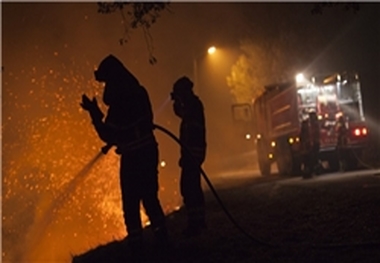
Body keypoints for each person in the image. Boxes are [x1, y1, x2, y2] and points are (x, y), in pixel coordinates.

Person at [80, 55, 168, 260]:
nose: (105, 87)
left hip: (133, 158)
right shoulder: (140, 92)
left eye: (106, 81)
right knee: (150, 199)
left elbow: (108, 133)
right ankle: (162, 241)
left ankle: (137, 250)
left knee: (131, 205)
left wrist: (94, 112)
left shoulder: (119, 104)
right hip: (148, 153)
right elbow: (140, 124)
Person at [171, 76, 207, 237]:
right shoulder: (193, 105)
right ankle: (199, 222)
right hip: (193, 152)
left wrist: (188, 155)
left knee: (189, 187)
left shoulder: (193, 105)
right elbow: (181, 113)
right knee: (192, 187)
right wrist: (176, 103)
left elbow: (191, 132)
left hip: (192, 152)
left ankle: (195, 224)